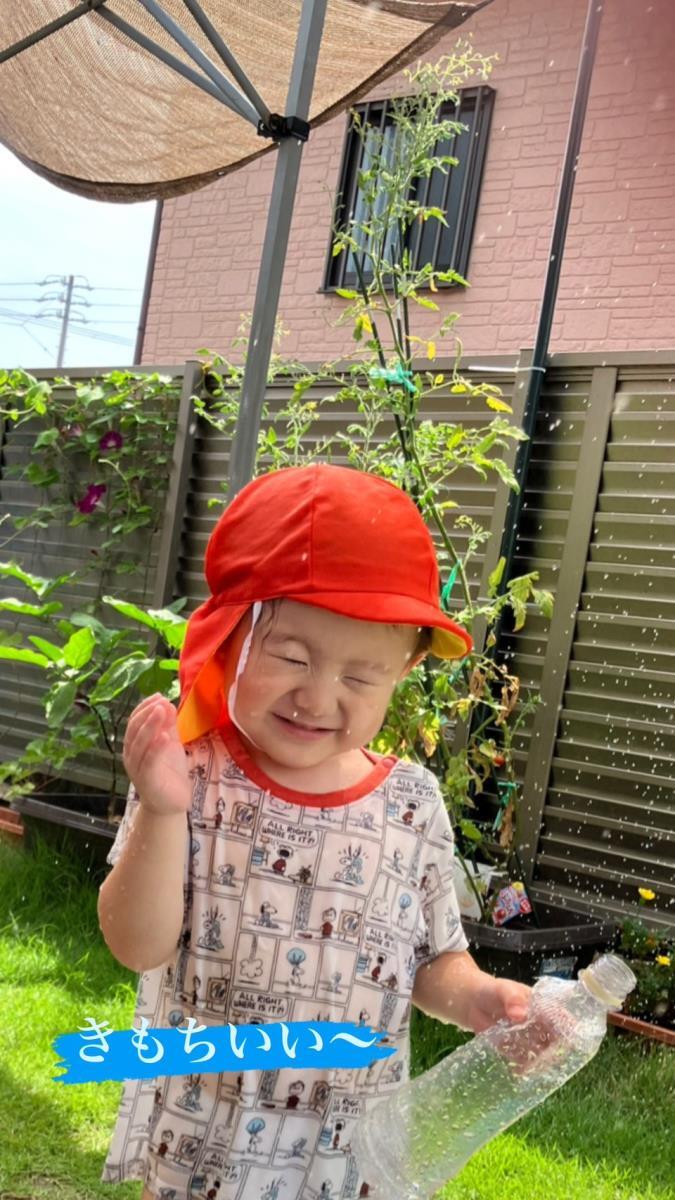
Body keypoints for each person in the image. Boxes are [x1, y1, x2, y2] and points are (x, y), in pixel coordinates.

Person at [98, 463, 532, 1200]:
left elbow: (429, 961)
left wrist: (479, 999)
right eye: (292, 657)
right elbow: (136, 945)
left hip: (348, 1155)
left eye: (360, 677)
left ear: (405, 667)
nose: (318, 696)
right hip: (205, 1147)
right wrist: (163, 810)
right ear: (232, 637)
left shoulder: (411, 804)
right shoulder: (190, 775)